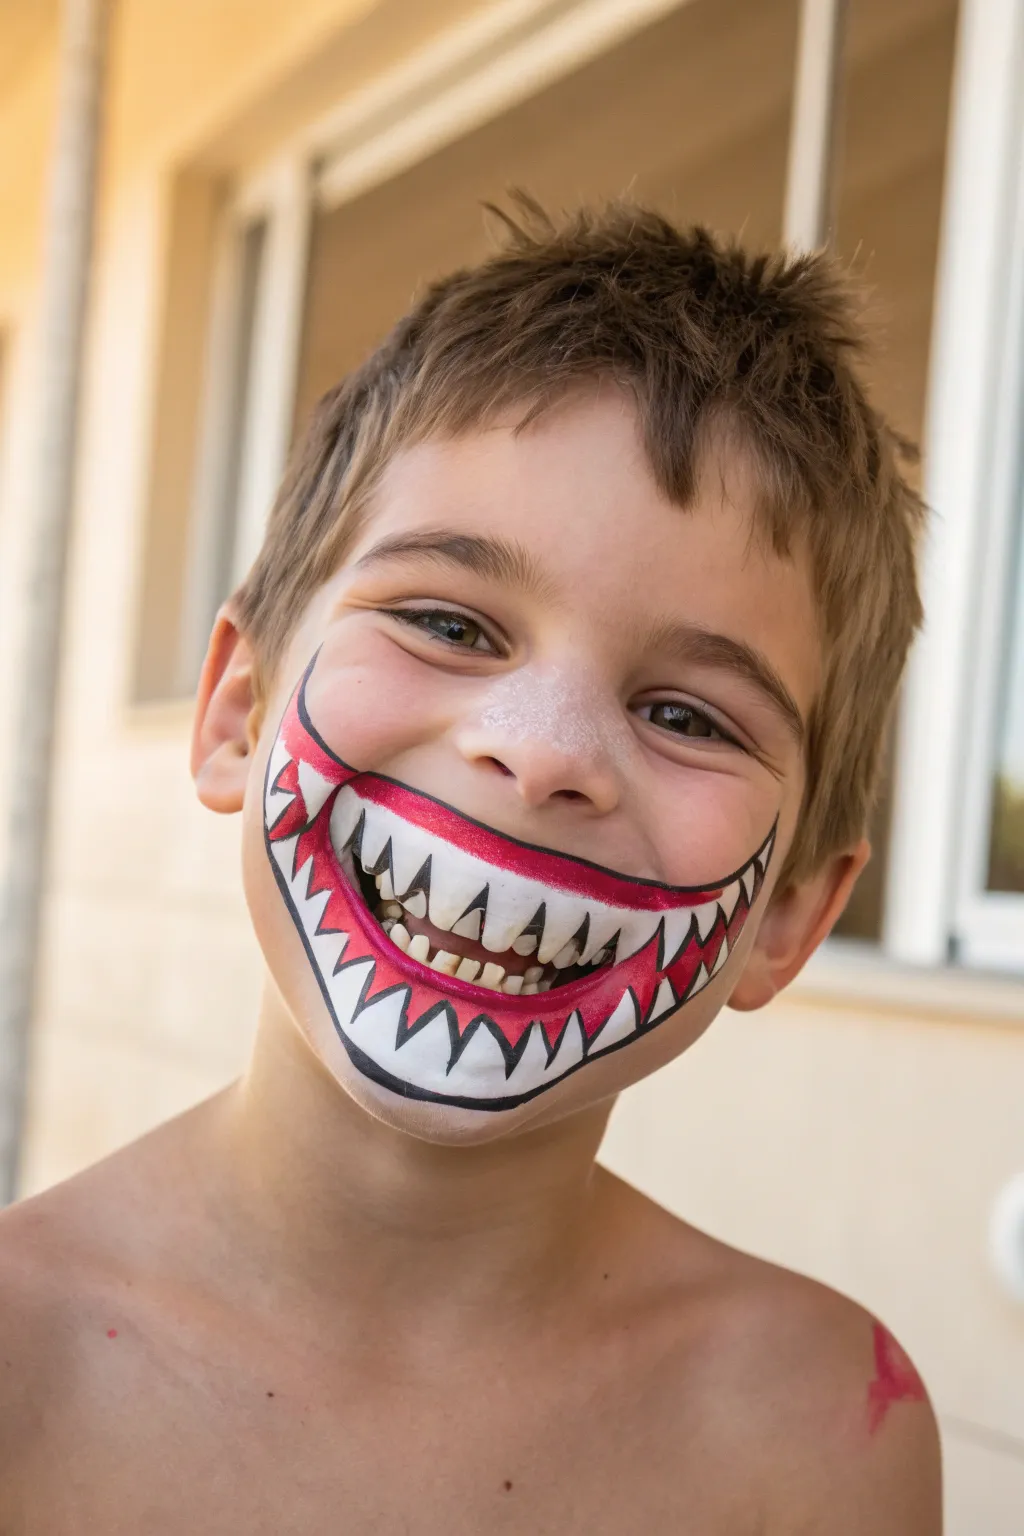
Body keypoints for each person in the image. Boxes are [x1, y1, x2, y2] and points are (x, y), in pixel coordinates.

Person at [0, 201, 941, 1532]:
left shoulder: (820, 1429)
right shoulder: (20, 1374)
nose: (542, 752)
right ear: (237, 712)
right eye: (449, 622)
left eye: (687, 715)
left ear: (786, 915)